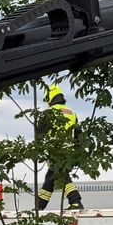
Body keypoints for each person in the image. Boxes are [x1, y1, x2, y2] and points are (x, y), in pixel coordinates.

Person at [36, 82, 85, 212]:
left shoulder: (48, 112)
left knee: (61, 175)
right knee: (51, 177)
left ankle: (75, 201)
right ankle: (39, 206)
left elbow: (39, 134)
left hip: (55, 150)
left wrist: (38, 150)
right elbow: (78, 134)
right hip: (70, 151)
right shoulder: (72, 112)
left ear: (49, 98)